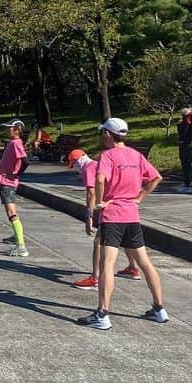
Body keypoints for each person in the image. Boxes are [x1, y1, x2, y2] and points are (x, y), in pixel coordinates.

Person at [77, 118, 168, 331]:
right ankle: (159, 309)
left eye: (103, 133)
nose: (102, 137)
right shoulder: (136, 155)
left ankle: (102, 314)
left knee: (107, 264)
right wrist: (139, 197)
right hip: (131, 215)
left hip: (113, 215)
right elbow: (156, 177)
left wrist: (99, 203)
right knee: (145, 263)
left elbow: (100, 179)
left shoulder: (107, 156)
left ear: (109, 134)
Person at [68, 148, 142, 290]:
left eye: (74, 165)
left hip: (110, 209)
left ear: (78, 161)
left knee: (99, 242)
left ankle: (95, 278)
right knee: (126, 237)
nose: (76, 169)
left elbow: (91, 193)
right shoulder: (98, 164)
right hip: (125, 205)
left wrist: (89, 216)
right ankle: (133, 268)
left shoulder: (88, 169)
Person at [0, 119, 30, 257]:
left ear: (17, 130)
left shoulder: (16, 143)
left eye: (10, 128)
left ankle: (21, 246)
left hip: (8, 182)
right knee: (11, 211)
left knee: (11, 212)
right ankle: (17, 236)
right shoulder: (13, 143)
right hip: (6, 181)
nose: (7, 130)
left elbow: (25, 161)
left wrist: (17, 173)